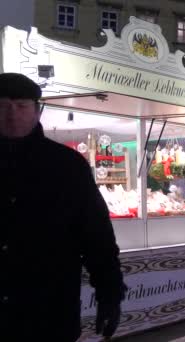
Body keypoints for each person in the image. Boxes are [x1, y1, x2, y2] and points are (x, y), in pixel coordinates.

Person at [0, 72, 125, 341]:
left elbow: (97, 236)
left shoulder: (67, 166)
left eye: (21, 107)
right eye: (2, 106)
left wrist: (110, 294)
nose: (11, 115)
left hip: (47, 314)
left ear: (37, 111)